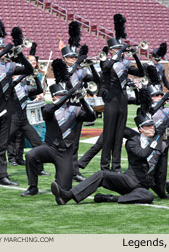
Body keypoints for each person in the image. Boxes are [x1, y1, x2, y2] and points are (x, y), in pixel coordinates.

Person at [50, 113, 168, 205]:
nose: (152, 128)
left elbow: (159, 171)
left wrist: (162, 193)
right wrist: (155, 140)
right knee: (102, 174)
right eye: (148, 126)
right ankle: (67, 195)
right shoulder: (132, 142)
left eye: (152, 125)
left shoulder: (157, 144)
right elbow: (143, 154)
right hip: (129, 180)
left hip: (141, 187)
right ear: (140, 129)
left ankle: (111, 198)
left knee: (148, 196)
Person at [21, 59, 96, 196]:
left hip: (65, 152)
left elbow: (92, 117)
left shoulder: (75, 109)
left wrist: (83, 100)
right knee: (31, 155)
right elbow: (50, 111)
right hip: (49, 148)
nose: (63, 97)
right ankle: (33, 187)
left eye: (64, 94)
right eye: (60, 95)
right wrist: (67, 94)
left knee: (64, 188)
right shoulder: (48, 108)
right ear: (54, 97)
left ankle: (59, 181)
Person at [0, 18, 33, 187]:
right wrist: (3, 53)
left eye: (1, 48)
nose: (0, 51)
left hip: (6, 108)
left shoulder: (10, 67)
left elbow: (28, 70)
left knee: (3, 143)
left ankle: (2, 174)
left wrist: (20, 56)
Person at [100, 14, 144, 172]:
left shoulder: (126, 63)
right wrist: (119, 54)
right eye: (117, 49)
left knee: (119, 134)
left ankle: (116, 166)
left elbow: (141, 73)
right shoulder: (106, 60)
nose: (120, 51)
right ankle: (105, 165)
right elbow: (105, 68)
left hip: (122, 99)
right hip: (111, 99)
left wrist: (135, 55)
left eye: (121, 48)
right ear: (111, 50)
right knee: (109, 134)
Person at [61, 21, 101, 182]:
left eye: (75, 56)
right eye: (71, 57)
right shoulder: (61, 68)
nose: (73, 59)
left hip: (78, 107)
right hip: (63, 108)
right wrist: (77, 63)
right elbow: (66, 80)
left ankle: (74, 170)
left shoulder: (82, 71)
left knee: (75, 141)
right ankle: (63, 169)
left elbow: (97, 81)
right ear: (64, 58)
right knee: (65, 141)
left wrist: (91, 66)